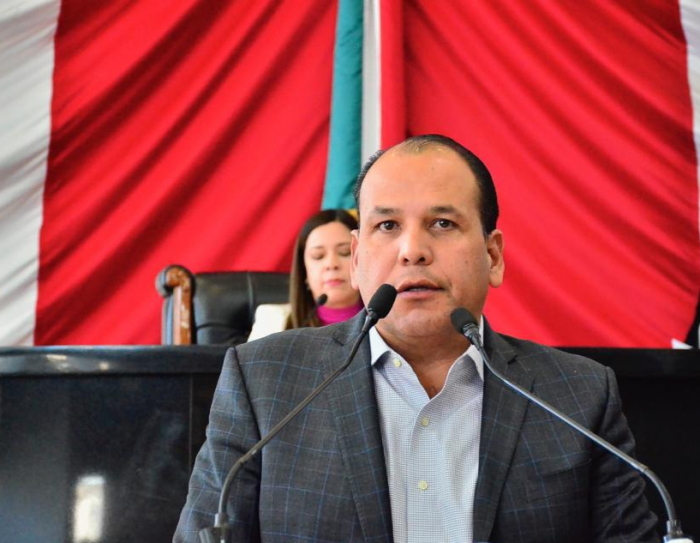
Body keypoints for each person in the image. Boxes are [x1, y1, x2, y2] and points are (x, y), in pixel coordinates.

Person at [174, 135, 659, 543]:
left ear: (492, 256)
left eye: (442, 224)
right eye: (387, 226)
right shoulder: (263, 382)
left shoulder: (579, 395)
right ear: (358, 259)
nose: (412, 251)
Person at [247, 208, 363, 340]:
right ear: (304, 271)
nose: (331, 264)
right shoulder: (273, 321)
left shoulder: (382, 323)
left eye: (345, 252)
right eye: (318, 256)